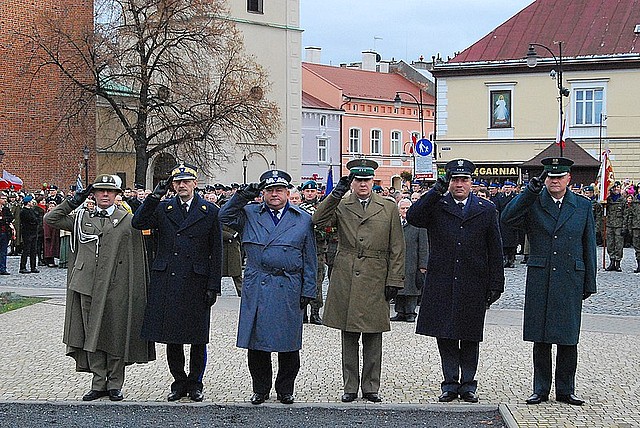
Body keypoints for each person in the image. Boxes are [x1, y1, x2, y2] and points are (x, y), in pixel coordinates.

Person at [44, 174, 154, 401]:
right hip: (87, 285)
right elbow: (51, 218)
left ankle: (114, 383)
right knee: (91, 333)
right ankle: (98, 382)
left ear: (117, 195)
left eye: (109, 191)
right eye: (100, 190)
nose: (105, 194)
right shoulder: (81, 218)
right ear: (93, 194)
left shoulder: (127, 220)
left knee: (115, 332)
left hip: (117, 285)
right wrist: (74, 200)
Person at [406, 159, 504, 403]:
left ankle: (468, 384)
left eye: (464, 180)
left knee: (470, 335)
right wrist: (434, 191)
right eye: (455, 180)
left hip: (473, 281)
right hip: (443, 280)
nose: (459, 184)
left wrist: (496, 283)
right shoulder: (437, 205)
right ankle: (450, 383)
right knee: (446, 334)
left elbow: (495, 248)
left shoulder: (486, 208)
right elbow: (413, 216)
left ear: (471, 182)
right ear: (449, 182)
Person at [501, 157, 596, 406]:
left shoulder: (582, 205)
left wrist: (590, 282)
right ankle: (540, 389)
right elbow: (507, 219)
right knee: (541, 337)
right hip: (541, 277)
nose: (555, 181)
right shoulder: (534, 202)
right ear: (545, 180)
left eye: (559, 177)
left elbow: (588, 245)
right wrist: (529, 192)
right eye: (551, 177)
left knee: (568, 338)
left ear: (568, 179)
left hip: (570, 277)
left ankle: (566, 389)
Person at [219, 169, 317, 405]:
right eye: (270, 190)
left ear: (287, 193)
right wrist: (242, 195)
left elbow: (310, 257)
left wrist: (309, 290)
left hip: (288, 286)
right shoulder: (250, 213)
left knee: (288, 344)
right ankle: (260, 389)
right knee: (257, 343)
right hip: (258, 286)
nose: (274, 194)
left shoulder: (302, 218)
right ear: (262, 193)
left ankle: (285, 389)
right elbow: (223, 217)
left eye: (279, 190)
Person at [312, 158, 405, 403]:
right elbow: (318, 221)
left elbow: (397, 246)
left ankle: (371, 386)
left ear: (373, 181)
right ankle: (350, 386)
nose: (362, 184)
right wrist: (335, 194)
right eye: (357, 180)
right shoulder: (342, 204)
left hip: (376, 274)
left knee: (374, 335)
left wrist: (395, 279)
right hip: (347, 274)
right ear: (351, 182)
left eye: (366, 180)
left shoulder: (388, 207)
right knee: (349, 334)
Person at [131, 163, 222, 402]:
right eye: (178, 182)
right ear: (172, 185)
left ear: (195, 184)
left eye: (186, 181)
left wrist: (213, 286)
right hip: (168, 279)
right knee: (173, 337)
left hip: (196, 281)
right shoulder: (164, 208)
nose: (182, 185)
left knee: (197, 338)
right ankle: (179, 382)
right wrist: (154, 197)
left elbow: (216, 251)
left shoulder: (209, 211)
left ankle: (195, 383)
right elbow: (138, 222)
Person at [391, 198, 428, 322]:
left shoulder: (419, 224)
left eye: (408, 208)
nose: (405, 210)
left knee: (412, 288)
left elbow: (423, 246)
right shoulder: (395, 223)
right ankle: (400, 312)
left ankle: (410, 312)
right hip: (398, 261)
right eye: (403, 208)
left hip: (413, 261)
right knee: (398, 287)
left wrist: (423, 265)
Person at [298, 180, 327, 325]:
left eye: (312, 191)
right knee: (301, 279)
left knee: (317, 280)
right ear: (303, 192)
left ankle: (315, 312)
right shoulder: (299, 209)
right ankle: (302, 312)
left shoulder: (322, 208)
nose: (310, 194)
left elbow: (328, 226)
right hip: (301, 249)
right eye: (307, 191)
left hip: (318, 249)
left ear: (317, 192)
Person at [604, 182, 626, 271]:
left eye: (618, 187)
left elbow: (625, 214)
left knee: (619, 245)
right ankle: (612, 261)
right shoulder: (608, 200)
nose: (616, 189)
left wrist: (624, 227)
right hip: (609, 225)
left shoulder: (623, 200)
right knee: (610, 244)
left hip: (619, 226)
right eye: (614, 187)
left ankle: (618, 263)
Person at [19, 195, 40, 274]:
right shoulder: (24, 211)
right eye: (31, 201)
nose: (32, 203)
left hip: (33, 232)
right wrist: (35, 221)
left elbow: (37, 219)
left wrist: (36, 220)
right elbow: (31, 220)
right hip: (27, 232)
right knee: (26, 250)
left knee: (33, 250)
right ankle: (23, 267)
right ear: (28, 203)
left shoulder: (32, 210)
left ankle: (33, 266)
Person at [0, 192, 14, 275]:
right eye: (3, 198)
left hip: (4, 232)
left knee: (3, 252)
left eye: (5, 198)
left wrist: (3, 219)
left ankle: (2, 268)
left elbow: (11, 218)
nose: (5, 200)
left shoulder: (6, 209)